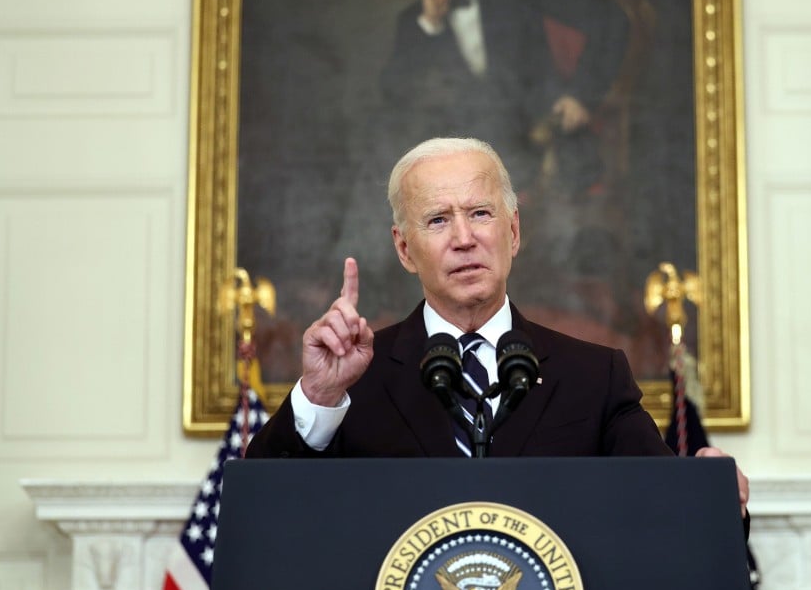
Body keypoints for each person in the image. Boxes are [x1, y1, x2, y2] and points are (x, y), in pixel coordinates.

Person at [246, 136, 749, 518]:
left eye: (480, 214)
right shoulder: (357, 377)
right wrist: (318, 396)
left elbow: (668, 513)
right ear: (404, 249)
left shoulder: (593, 376)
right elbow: (264, 512)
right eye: (438, 220)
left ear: (512, 231)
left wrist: (710, 493)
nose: (464, 238)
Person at [377, 0, 629, 196]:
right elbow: (395, 94)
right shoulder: (415, 21)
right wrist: (430, 25)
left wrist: (580, 95)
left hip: (545, 148)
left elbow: (610, 19)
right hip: (460, 174)